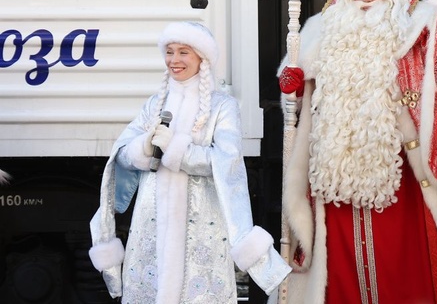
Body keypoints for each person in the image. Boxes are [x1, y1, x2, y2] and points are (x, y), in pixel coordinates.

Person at [276, 0, 437, 303]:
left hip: (400, 171)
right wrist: (291, 87)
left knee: (403, 267)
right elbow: (296, 101)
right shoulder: (320, 30)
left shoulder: (413, 29)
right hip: (334, 172)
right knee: (336, 270)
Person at [88, 21, 291, 302]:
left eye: (184, 52)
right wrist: (143, 147)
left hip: (202, 224)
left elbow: (226, 162)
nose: (174, 60)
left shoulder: (223, 107)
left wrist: (175, 149)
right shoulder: (154, 105)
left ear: (201, 58)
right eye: (170, 51)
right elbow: (121, 156)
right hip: (152, 222)